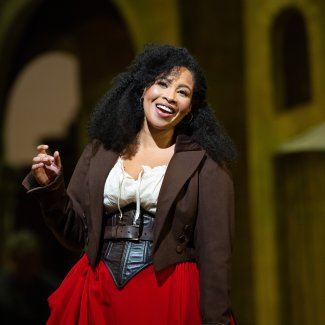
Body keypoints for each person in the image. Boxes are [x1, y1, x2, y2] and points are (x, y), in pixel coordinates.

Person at [23, 44, 236, 325]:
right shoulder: (101, 151)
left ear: (190, 109)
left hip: (168, 292)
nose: (170, 97)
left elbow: (216, 257)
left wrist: (216, 320)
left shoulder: (205, 164)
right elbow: (76, 234)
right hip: (101, 292)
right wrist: (52, 187)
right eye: (163, 83)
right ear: (143, 89)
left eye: (182, 92)